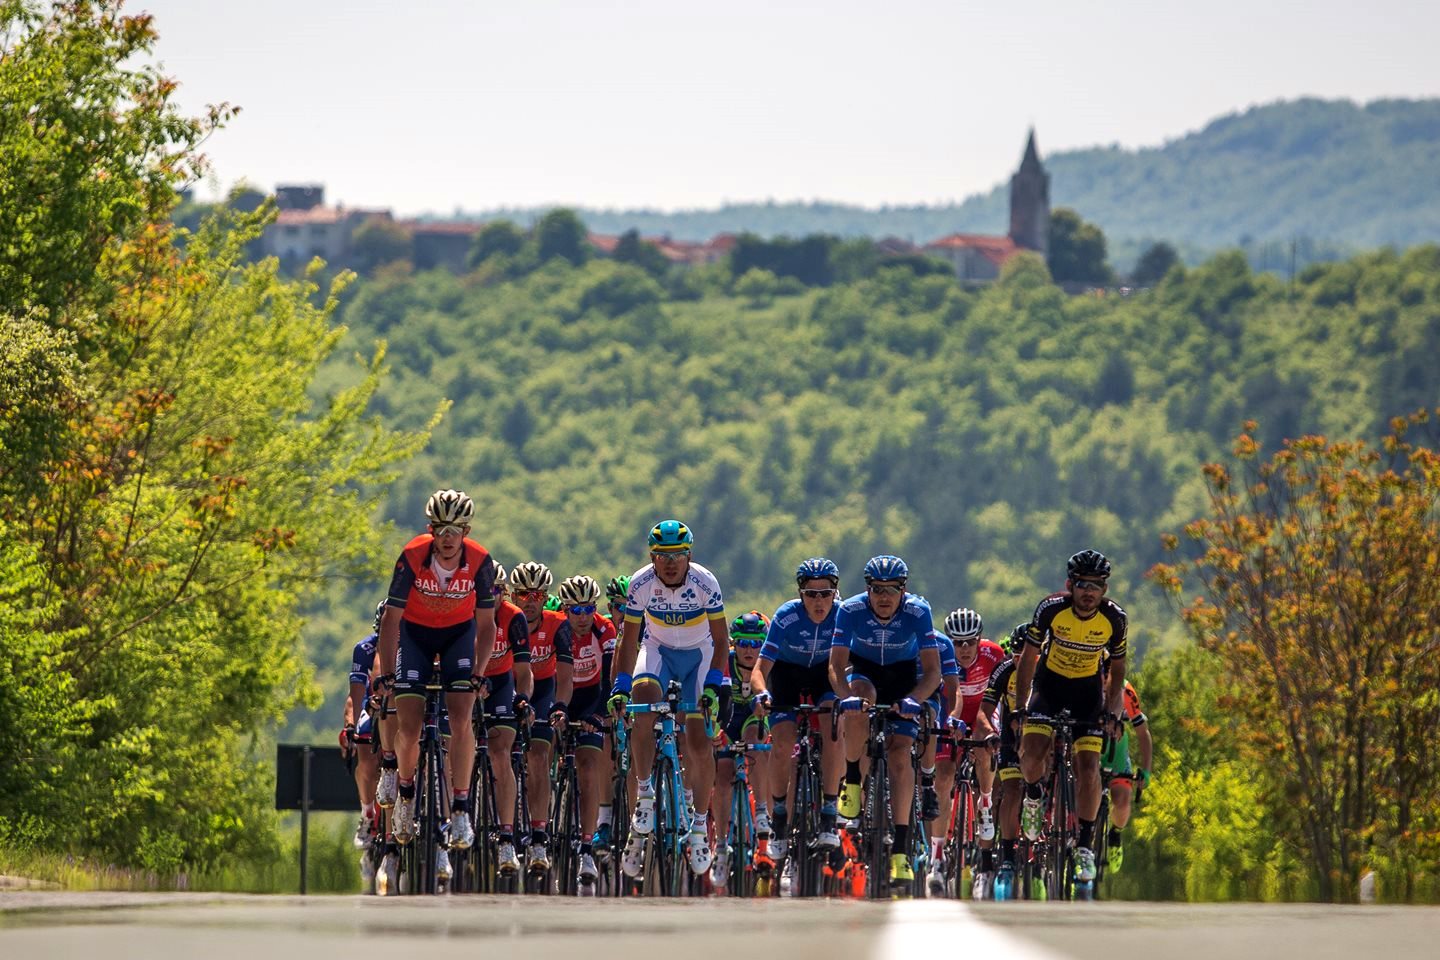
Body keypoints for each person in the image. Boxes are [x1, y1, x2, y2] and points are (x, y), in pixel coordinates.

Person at [377, 489, 497, 852]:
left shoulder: (480, 561)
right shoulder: (413, 555)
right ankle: (406, 794)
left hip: (458, 636)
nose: (447, 538)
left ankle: (460, 808)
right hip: (415, 636)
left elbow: (487, 625)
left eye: (454, 530)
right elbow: (391, 619)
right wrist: (387, 674)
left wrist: (479, 672)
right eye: (440, 529)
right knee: (409, 726)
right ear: (430, 530)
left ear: (466, 532)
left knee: (461, 719)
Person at [608, 519, 730, 878]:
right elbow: (629, 641)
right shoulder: (640, 583)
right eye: (663, 555)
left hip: (699, 655)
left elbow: (721, 641)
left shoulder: (705, 582)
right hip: (658, 650)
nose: (671, 562)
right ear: (652, 557)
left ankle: (698, 826)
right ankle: (645, 793)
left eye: (678, 555)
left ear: (689, 555)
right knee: (643, 701)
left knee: (698, 740)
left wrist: (712, 686)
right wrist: (620, 686)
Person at [1015, 549, 1128, 887]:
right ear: (1070, 585)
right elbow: (1028, 659)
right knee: (1031, 755)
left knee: (1089, 769)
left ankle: (1084, 846)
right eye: (1082, 584)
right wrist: (1020, 707)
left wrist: (1113, 712)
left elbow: (1118, 670)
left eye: (1096, 585)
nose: (1088, 591)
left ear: (1105, 589)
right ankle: (1033, 796)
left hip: (1087, 694)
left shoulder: (1115, 619)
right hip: (1049, 687)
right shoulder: (1050, 609)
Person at [829, 554, 941, 886]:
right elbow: (836, 666)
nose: (884, 597)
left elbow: (933, 672)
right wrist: (844, 697)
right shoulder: (850, 609)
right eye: (877, 589)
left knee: (900, 755)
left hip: (903, 677)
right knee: (859, 700)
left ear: (903, 590)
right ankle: (852, 778)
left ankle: (901, 851)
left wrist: (914, 700)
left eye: (892, 589)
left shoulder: (918, 611)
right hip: (865, 672)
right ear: (868, 589)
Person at [752, 557, 845, 861]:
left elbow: (850, 665)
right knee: (782, 742)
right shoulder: (786, 616)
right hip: (787, 674)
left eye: (825, 593)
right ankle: (779, 816)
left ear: (835, 593)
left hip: (824, 674)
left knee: (834, 725)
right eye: (811, 594)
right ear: (800, 594)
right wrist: (762, 694)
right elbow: (760, 669)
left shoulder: (843, 615)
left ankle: (829, 812)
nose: (819, 601)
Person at [550, 575, 618, 889]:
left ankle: (587, 848)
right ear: (564, 610)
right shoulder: (557, 629)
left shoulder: (604, 629)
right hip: (559, 693)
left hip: (592, 697)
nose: (582, 616)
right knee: (541, 751)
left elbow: (609, 678)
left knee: (589, 767)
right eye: (575, 610)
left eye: (589, 608)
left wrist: (599, 714)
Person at [509, 560, 568, 872]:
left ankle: (539, 837)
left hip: (544, 688)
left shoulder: (558, 624)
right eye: (523, 594)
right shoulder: (506, 620)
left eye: (537, 595)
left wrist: (560, 706)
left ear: (546, 598)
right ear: (513, 596)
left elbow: (566, 676)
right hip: (509, 685)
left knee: (539, 757)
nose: (530, 601)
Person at [943, 607, 1007, 895]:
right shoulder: (941, 655)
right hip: (953, 715)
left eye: (970, 642)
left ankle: (985, 801)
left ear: (980, 640)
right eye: (958, 643)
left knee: (984, 744)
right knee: (941, 774)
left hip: (984, 713)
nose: (964, 648)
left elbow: (1007, 691)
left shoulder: (994, 655)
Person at [710, 610, 770, 887]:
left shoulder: (767, 665)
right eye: (743, 643)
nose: (749, 650)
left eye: (756, 644)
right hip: (727, 718)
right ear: (734, 644)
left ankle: (762, 812)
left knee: (755, 741)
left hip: (753, 717)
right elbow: (717, 702)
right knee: (723, 775)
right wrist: (716, 732)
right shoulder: (726, 662)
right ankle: (721, 846)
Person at [481, 563, 532, 874]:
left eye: (497, 589)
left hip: (501, 683)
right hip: (469, 680)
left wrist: (522, 697)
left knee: (500, 752)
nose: (492, 595)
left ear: (505, 592)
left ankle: (506, 838)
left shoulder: (514, 617)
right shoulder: (467, 611)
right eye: (486, 589)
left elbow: (524, 671)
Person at [974, 622, 1028, 897]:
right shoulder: (1004, 671)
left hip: (1042, 733)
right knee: (1011, 790)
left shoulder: (1051, 670)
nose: (1021, 662)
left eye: (1028, 656)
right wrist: (990, 733)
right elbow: (984, 711)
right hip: (1010, 733)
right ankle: (1007, 856)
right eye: (1016, 656)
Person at [1100, 676, 1152, 872]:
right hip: (1087, 746)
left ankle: (1115, 834)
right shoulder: (1084, 676)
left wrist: (1146, 771)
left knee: (1122, 801)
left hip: (1116, 751)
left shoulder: (1126, 690)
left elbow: (1143, 732)